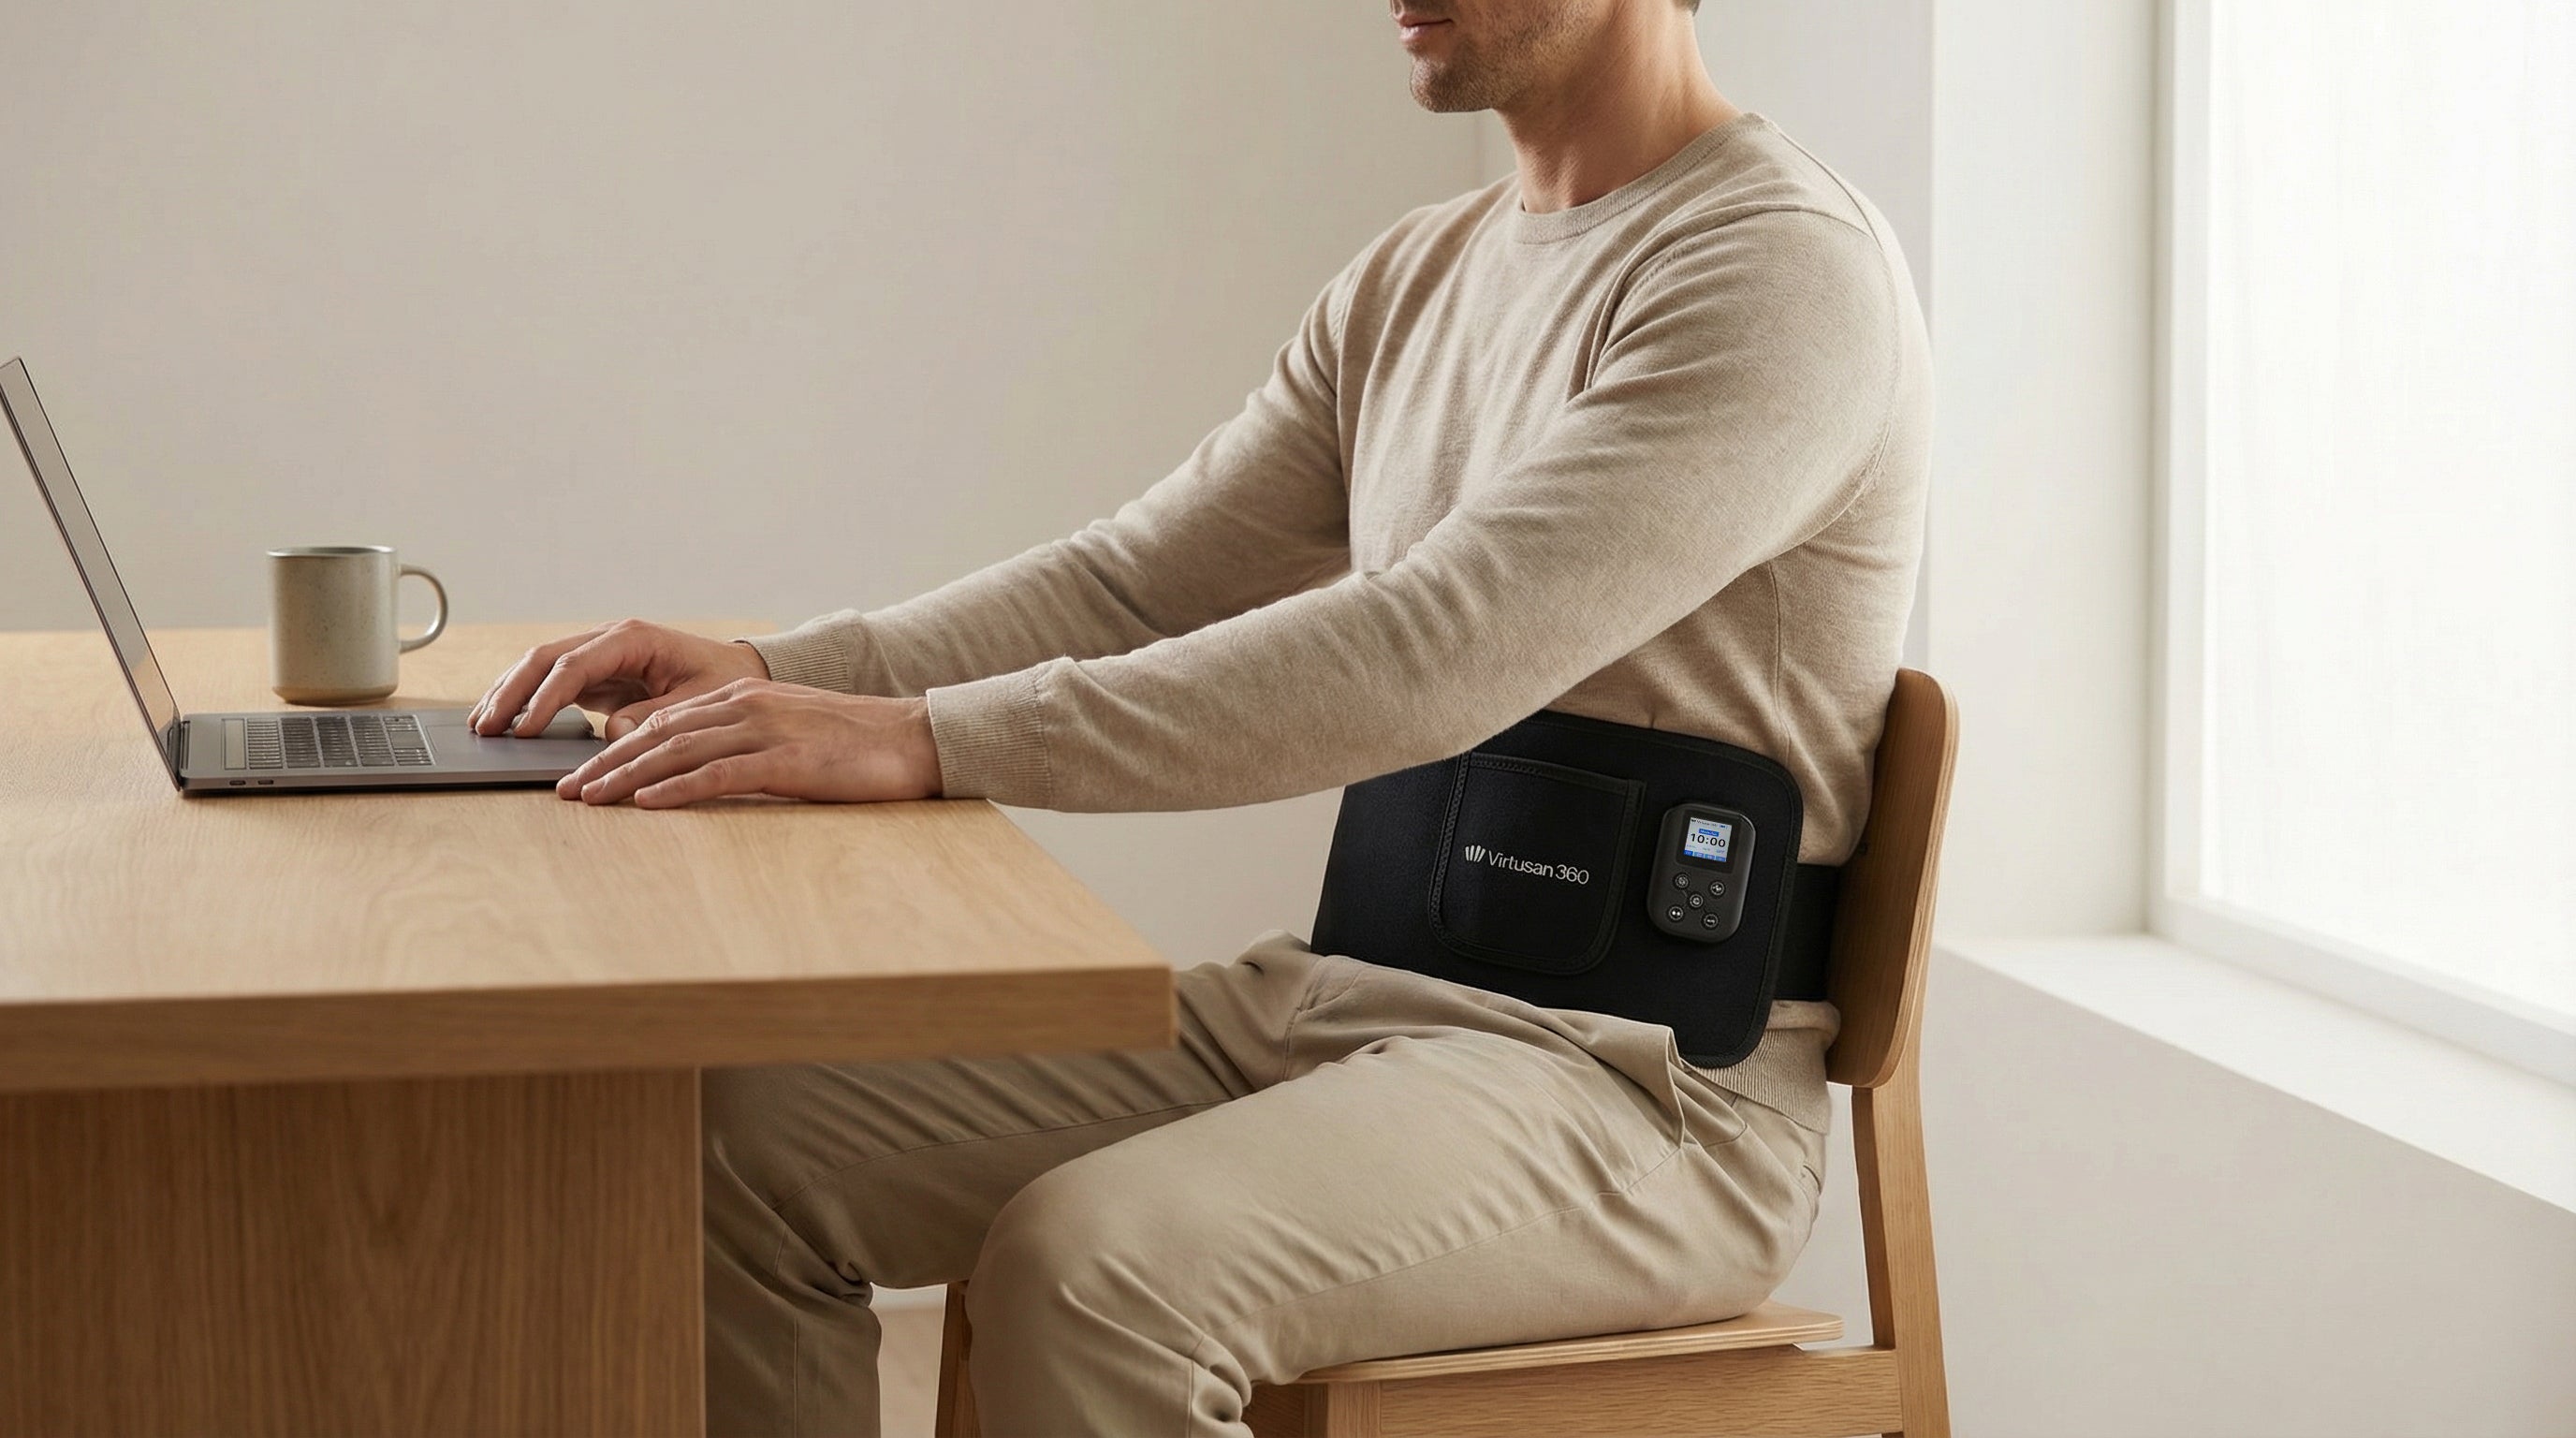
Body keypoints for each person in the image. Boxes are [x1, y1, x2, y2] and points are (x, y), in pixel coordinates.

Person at [471, 0, 1928, 1431]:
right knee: (731, 1146)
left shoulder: (1776, 272)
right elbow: (1136, 579)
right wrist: (778, 674)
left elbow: (1435, 652)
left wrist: (927, 741)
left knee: (1098, 1274)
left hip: (1649, 1096)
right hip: (1347, 1000)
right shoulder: (1415, 276)